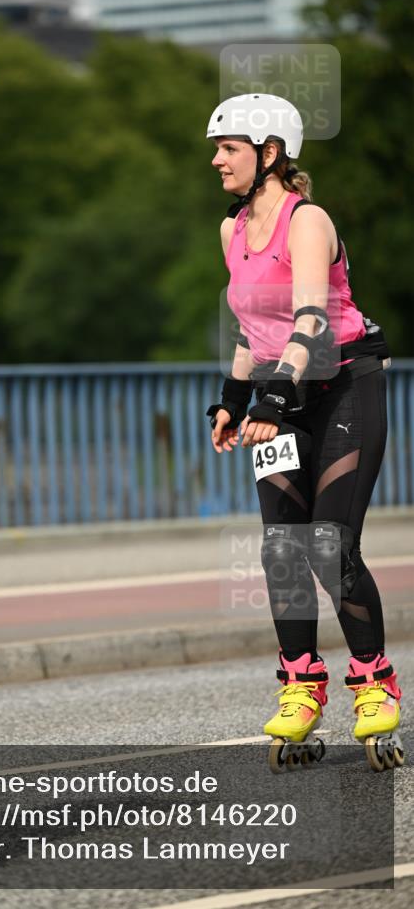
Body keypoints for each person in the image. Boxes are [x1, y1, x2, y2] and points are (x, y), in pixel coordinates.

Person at [205, 93, 403, 773]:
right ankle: (300, 686)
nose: (216, 160)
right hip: (280, 389)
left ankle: (373, 682)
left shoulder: (306, 220)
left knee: (328, 544)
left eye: (228, 148)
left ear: (269, 153)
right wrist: (233, 399)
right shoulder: (232, 230)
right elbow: (250, 328)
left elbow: (311, 320)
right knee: (281, 550)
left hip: (343, 384)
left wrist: (272, 396)